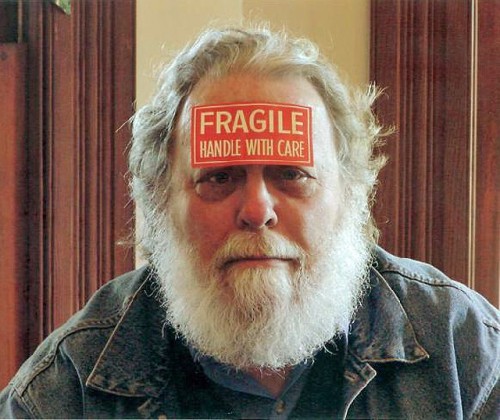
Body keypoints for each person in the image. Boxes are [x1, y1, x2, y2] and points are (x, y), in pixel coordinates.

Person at [1, 25, 498, 419]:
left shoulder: (465, 347)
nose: (258, 210)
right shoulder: (61, 392)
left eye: (292, 175)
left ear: (351, 194)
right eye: (219, 178)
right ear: (158, 202)